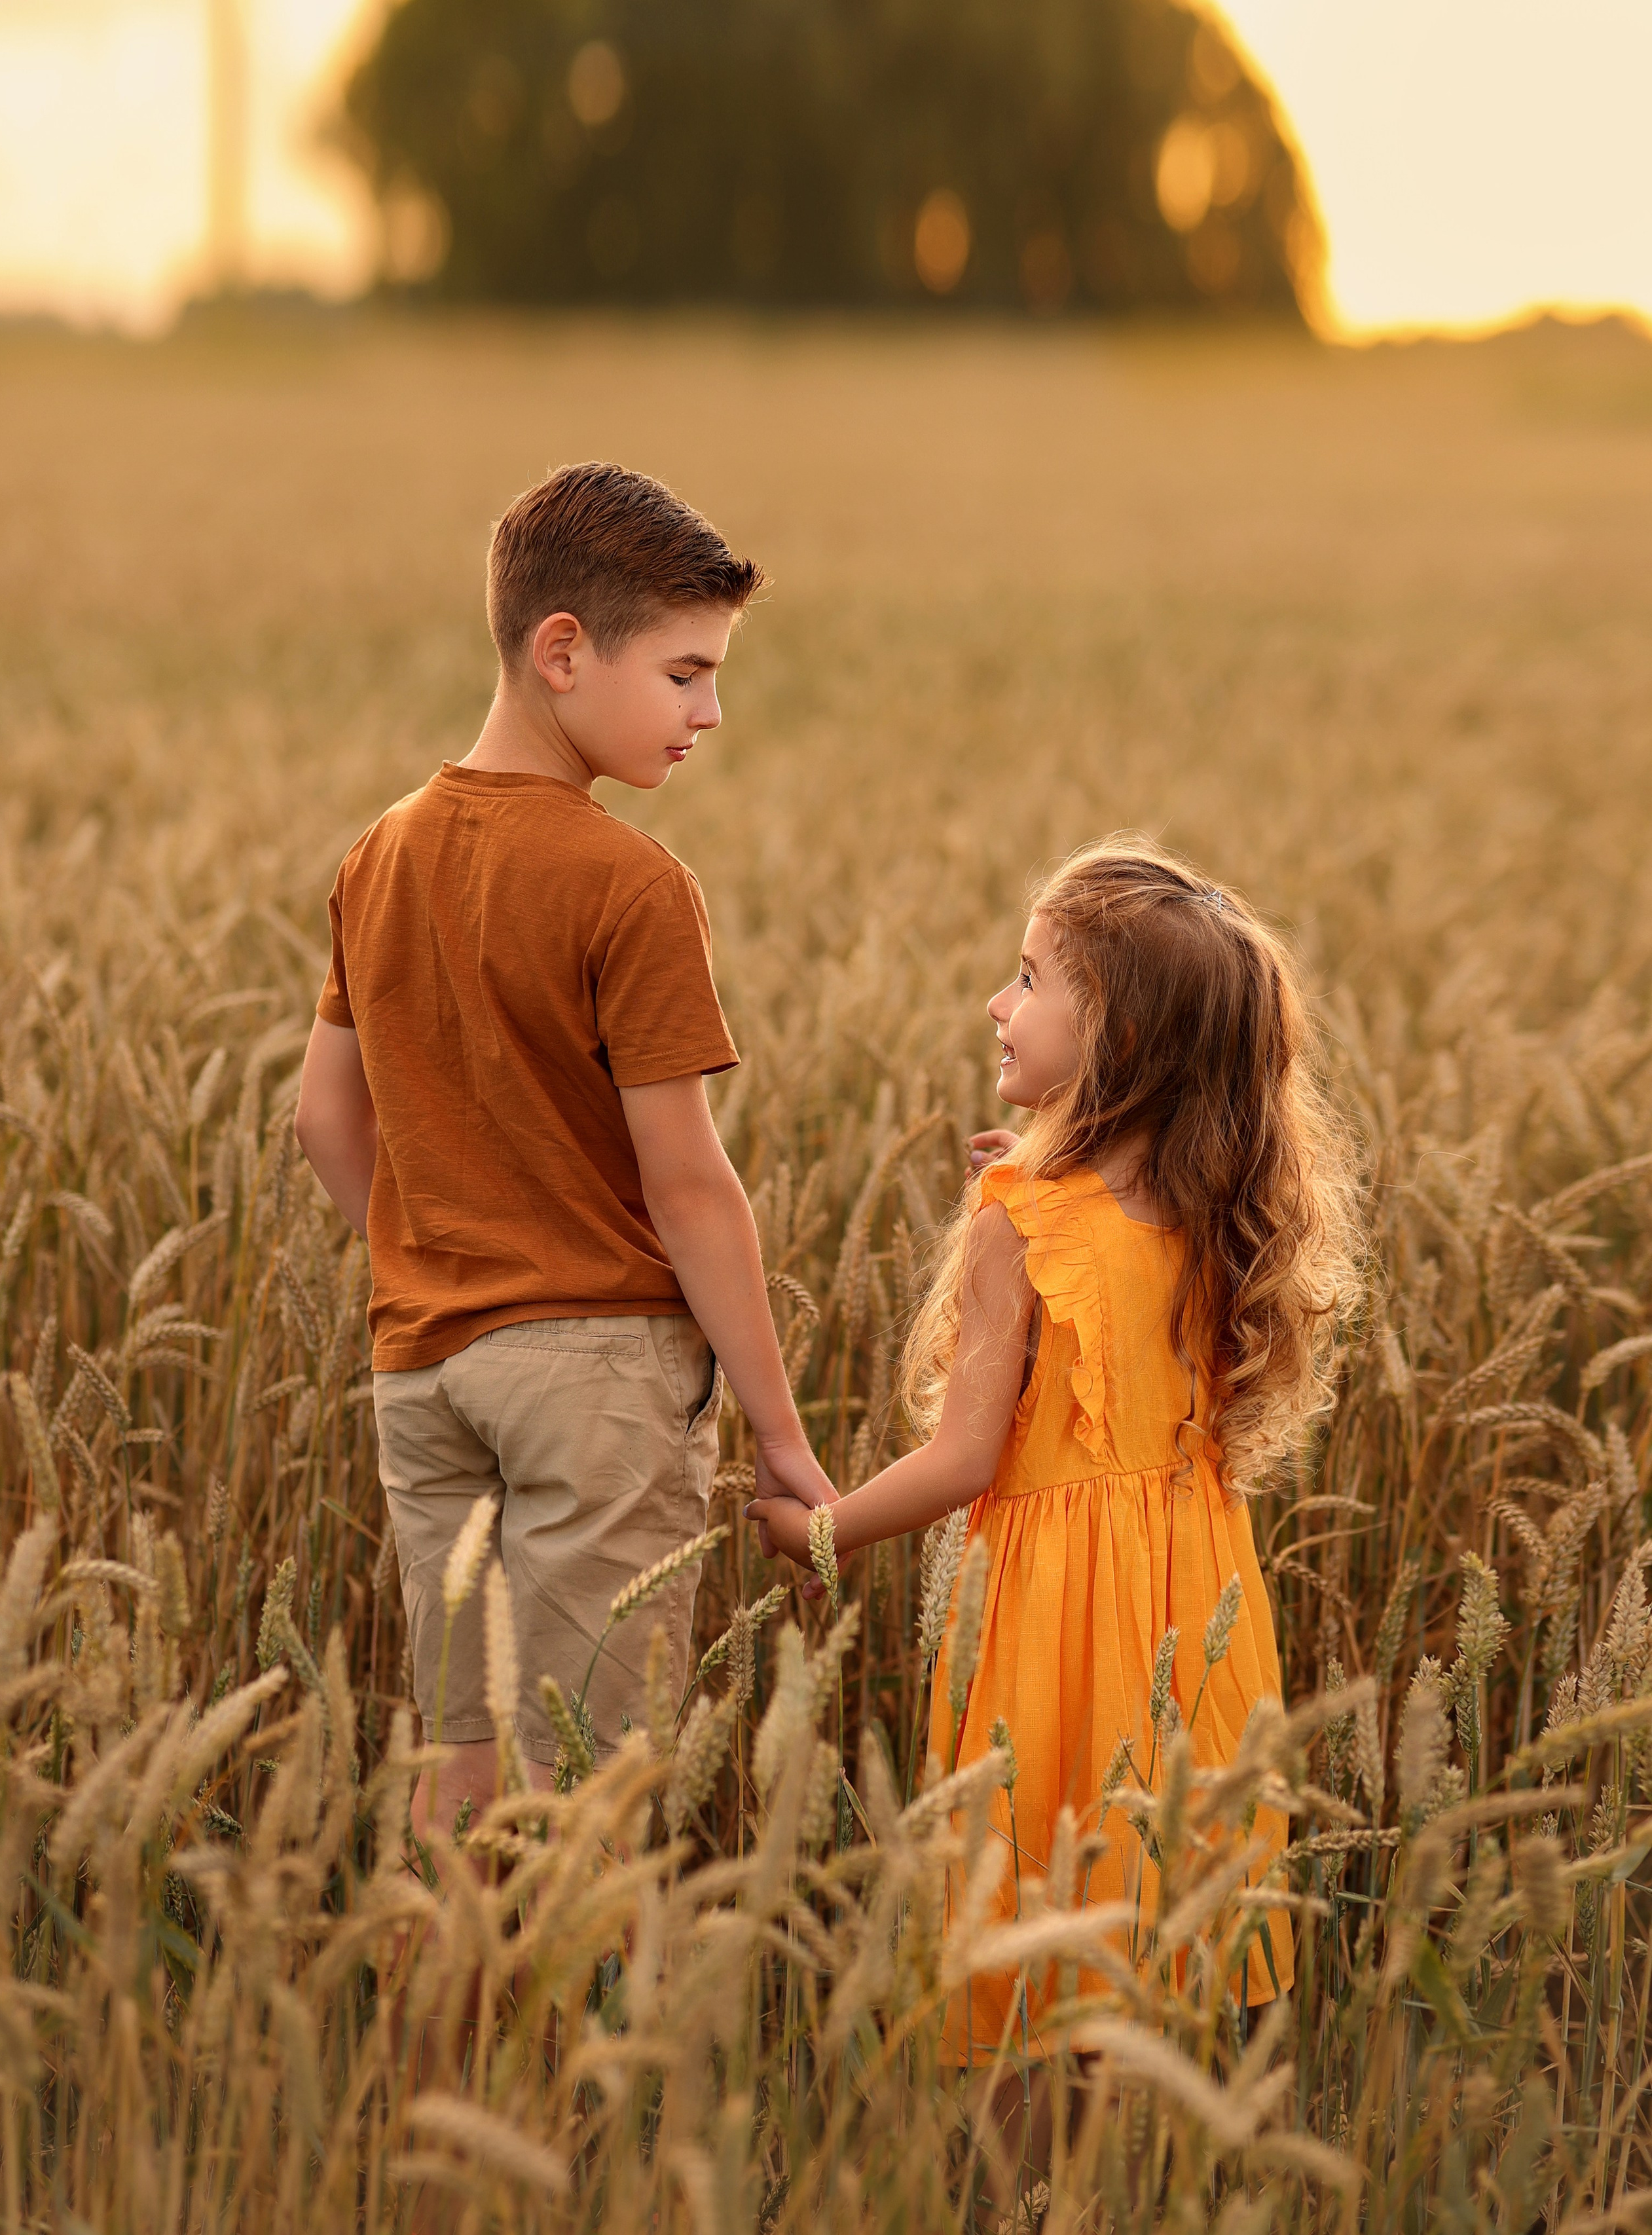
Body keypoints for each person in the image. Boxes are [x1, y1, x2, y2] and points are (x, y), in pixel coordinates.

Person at [748, 840, 1361, 2151]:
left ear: (1118, 1036)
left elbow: (969, 1457)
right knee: (1149, 1924)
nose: (994, 1003)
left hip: (1050, 1632)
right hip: (1189, 1614)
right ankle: (1131, 2182)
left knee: (1025, 1937)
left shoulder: (1018, 1218)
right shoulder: (1221, 1202)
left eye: (1027, 978)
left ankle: (1022, 2189)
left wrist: (817, 1529)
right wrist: (1041, 1165)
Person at [295, 462, 832, 1845]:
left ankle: (438, 2055)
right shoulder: (629, 883)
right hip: (591, 1381)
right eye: (685, 673)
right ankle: (562, 2058)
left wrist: (438, 1249)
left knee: (458, 1779)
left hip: (423, 1368)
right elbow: (687, 1180)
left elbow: (321, 1118)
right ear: (560, 651)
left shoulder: (377, 857)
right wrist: (778, 1437)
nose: (711, 711)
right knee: (588, 1792)